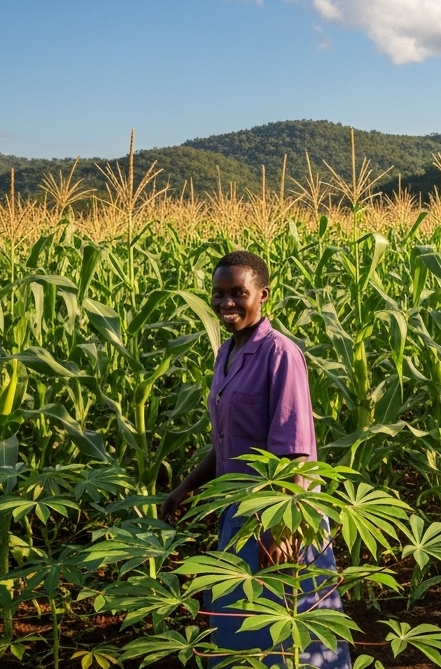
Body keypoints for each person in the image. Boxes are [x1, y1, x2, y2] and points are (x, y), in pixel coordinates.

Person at [160, 250, 350, 669]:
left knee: (294, 635)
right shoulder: (225, 354)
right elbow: (228, 440)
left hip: (282, 511)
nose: (226, 302)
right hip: (237, 511)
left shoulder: (280, 354)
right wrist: (186, 487)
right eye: (219, 293)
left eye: (238, 293)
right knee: (239, 629)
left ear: (262, 294)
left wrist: (282, 529)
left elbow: (293, 449)